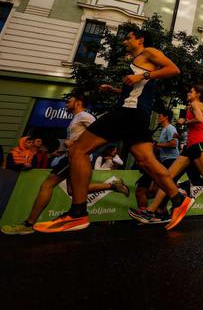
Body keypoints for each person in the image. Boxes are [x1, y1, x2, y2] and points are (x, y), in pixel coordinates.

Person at [34, 28, 193, 233]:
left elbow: (174, 69)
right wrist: (117, 90)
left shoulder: (148, 52)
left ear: (140, 39)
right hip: (136, 114)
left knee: (78, 151)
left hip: (128, 112)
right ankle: (179, 199)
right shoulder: (137, 60)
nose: (125, 41)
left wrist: (142, 75)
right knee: (146, 161)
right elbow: (141, 89)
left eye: (128, 38)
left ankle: (77, 213)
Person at [3, 92, 129, 235]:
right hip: (72, 156)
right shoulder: (76, 118)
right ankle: (113, 185)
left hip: (77, 157)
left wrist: (74, 143)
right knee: (72, 190)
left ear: (78, 102)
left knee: (47, 185)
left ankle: (28, 224)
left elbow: (100, 135)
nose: (66, 103)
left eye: (69, 100)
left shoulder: (85, 116)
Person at [129, 85, 203, 225]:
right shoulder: (202, 106)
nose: (188, 93)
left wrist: (185, 121)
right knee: (167, 177)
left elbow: (198, 119)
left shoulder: (194, 104)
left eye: (190, 91)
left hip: (196, 145)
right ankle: (150, 211)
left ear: (197, 94)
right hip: (192, 146)